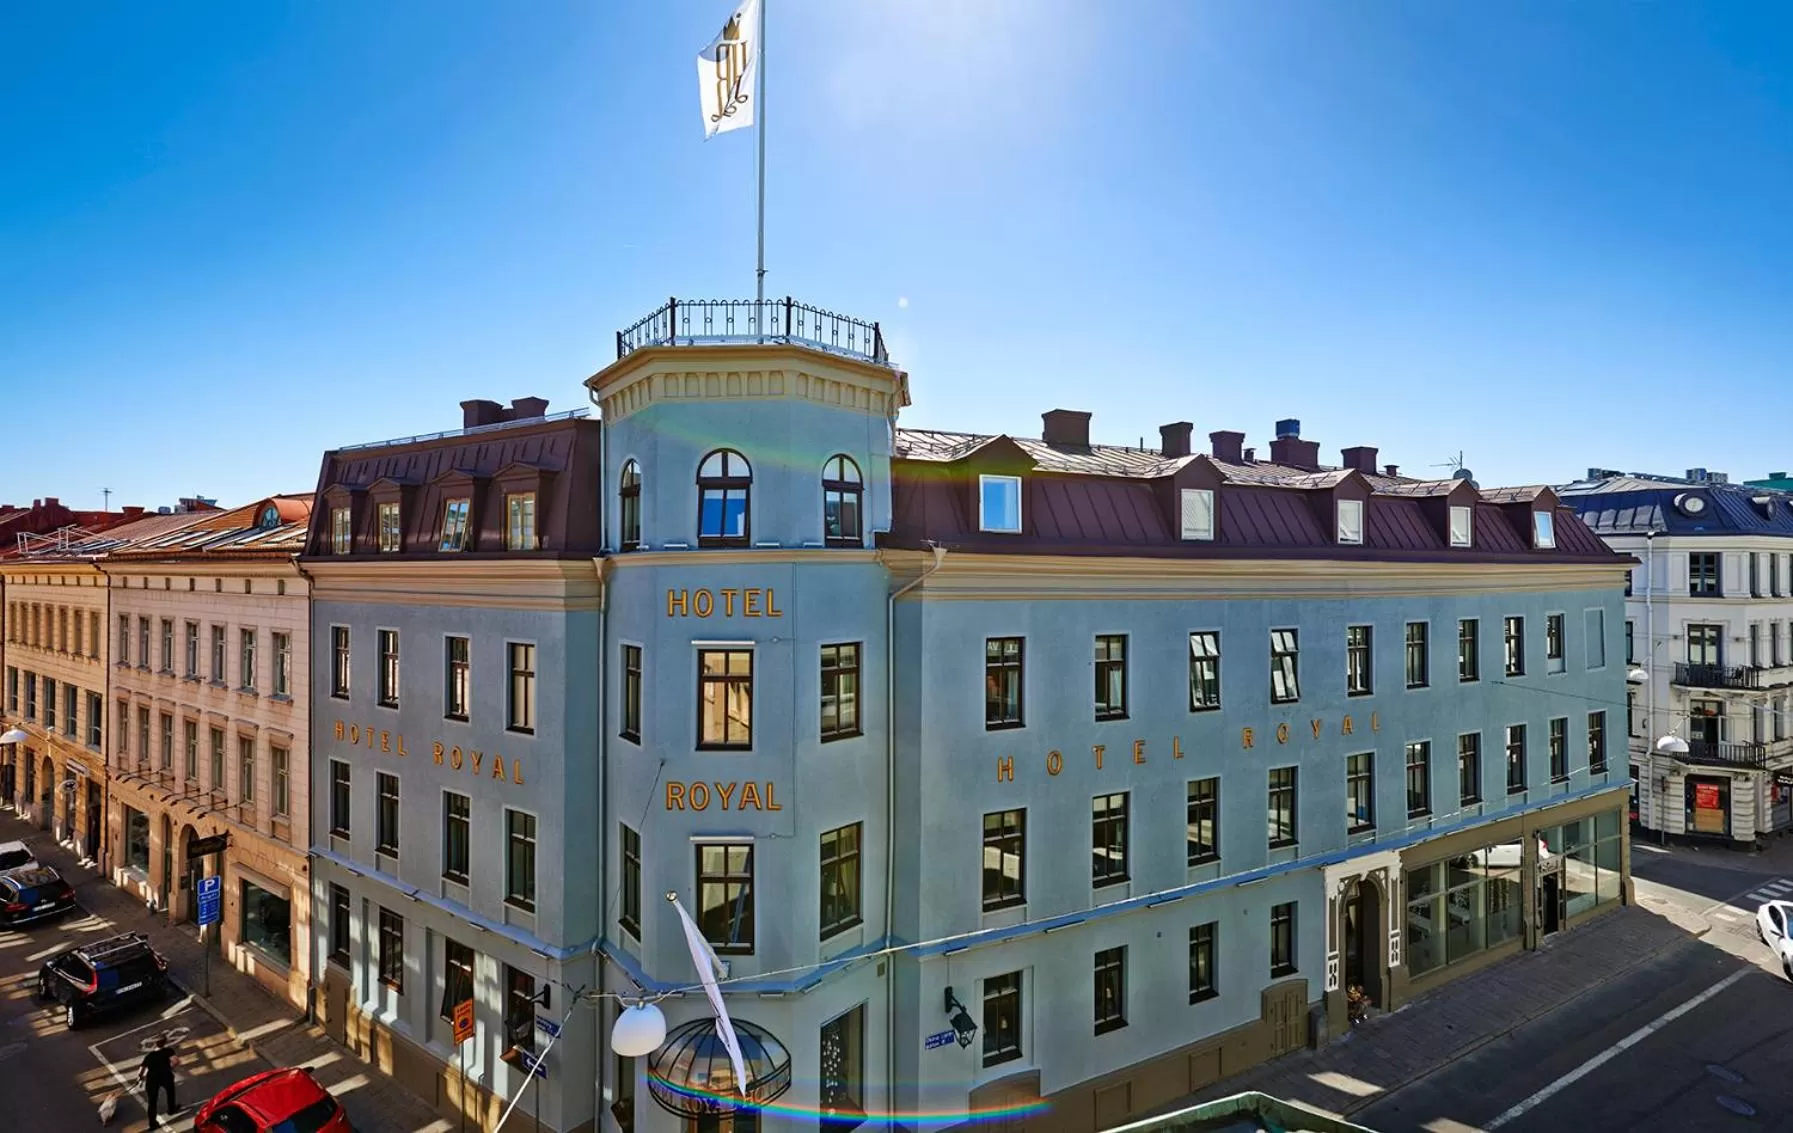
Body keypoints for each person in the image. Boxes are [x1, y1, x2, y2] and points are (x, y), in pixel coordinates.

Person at [138, 1035, 179, 1127]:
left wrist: (140, 1077)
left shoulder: (149, 1056)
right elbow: (175, 1061)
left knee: (152, 1101)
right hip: (165, 1076)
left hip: (152, 1079)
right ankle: (171, 1109)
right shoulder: (168, 1051)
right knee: (170, 1091)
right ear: (165, 1042)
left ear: (155, 1044)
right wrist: (169, 1068)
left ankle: (152, 1122)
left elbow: (142, 1069)